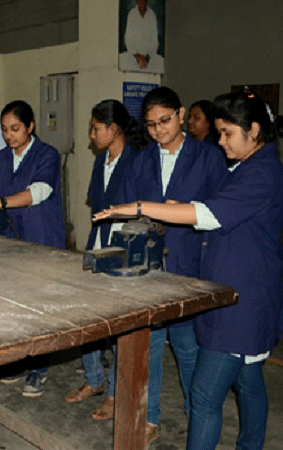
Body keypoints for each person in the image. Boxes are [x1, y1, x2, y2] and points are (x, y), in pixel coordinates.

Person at [94, 91, 283, 450]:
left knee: (204, 396)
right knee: (247, 382)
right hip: (232, 289)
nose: (220, 141)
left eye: (227, 133)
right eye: (219, 132)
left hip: (242, 301)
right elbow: (217, 206)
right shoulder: (246, 166)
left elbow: (208, 214)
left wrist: (139, 207)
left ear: (255, 130)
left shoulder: (261, 173)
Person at [121, 86, 227, 445]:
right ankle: (150, 417)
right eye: (150, 125)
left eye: (164, 121)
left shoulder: (209, 157)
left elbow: (220, 211)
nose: (158, 130)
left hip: (190, 266)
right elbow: (132, 211)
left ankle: (197, 411)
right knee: (150, 347)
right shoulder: (141, 161)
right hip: (151, 270)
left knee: (187, 347)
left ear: (180, 114)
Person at [65, 100, 150, 419]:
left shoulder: (138, 160)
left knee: (117, 325)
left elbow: (143, 210)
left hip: (123, 251)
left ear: (113, 129)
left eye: (95, 129)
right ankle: (94, 379)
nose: (91, 135)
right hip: (98, 245)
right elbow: (96, 204)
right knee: (89, 318)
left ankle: (115, 392)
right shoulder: (101, 161)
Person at [0, 100, 66, 396]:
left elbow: (39, 191)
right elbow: (1, 186)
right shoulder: (3, 156)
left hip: (41, 237)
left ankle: (39, 368)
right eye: (4, 130)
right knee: (14, 302)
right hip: (11, 237)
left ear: (30, 126)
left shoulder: (47, 154)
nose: (9, 135)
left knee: (39, 306)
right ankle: (17, 360)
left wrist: (1, 201)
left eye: (15, 129)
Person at [119, 0, 164, 73]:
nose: (142, 2)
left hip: (149, 57)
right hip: (134, 56)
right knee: (122, 61)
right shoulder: (132, 14)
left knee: (161, 63)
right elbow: (128, 39)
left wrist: (148, 58)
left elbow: (155, 41)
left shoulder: (152, 15)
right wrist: (137, 56)